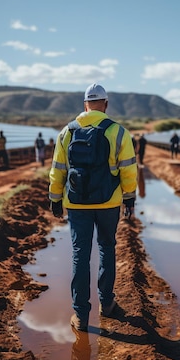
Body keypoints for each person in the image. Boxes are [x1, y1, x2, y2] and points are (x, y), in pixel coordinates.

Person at [49, 83, 138, 333]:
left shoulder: (66, 132)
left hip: (77, 204)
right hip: (109, 203)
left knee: (80, 254)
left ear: (84, 104)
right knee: (107, 248)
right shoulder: (119, 132)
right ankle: (107, 304)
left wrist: (55, 199)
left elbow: (58, 170)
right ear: (106, 105)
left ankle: (80, 315)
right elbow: (128, 169)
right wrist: (129, 198)